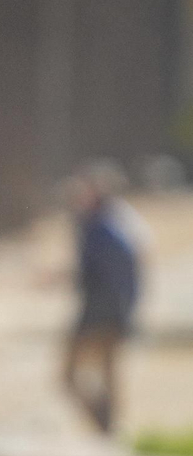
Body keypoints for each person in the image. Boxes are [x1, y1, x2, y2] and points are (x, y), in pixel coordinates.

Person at [62, 161, 144, 433]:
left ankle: (106, 425)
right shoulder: (106, 227)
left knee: (71, 376)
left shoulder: (103, 231)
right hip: (112, 312)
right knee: (106, 374)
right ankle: (109, 427)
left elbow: (113, 276)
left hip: (101, 314)